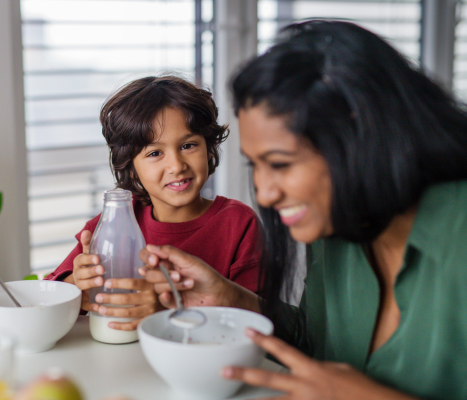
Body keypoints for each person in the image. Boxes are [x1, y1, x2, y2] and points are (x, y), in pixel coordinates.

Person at [140, 21, 467, 399]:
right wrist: (229, 300)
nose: (263, 193)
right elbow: (317, 345)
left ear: (361, 135)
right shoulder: (332, 227)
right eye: (255, 166)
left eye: (280, 164)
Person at [45, 75, 262, 331]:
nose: (176, 165)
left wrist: (168, 307)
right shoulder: (113, 223)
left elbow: (255, 318)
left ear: (209, 148)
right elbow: (49, 296)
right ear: (131, 167)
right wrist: (77, 282)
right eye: (155, 153)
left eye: (188, 145)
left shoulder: (238, 224)